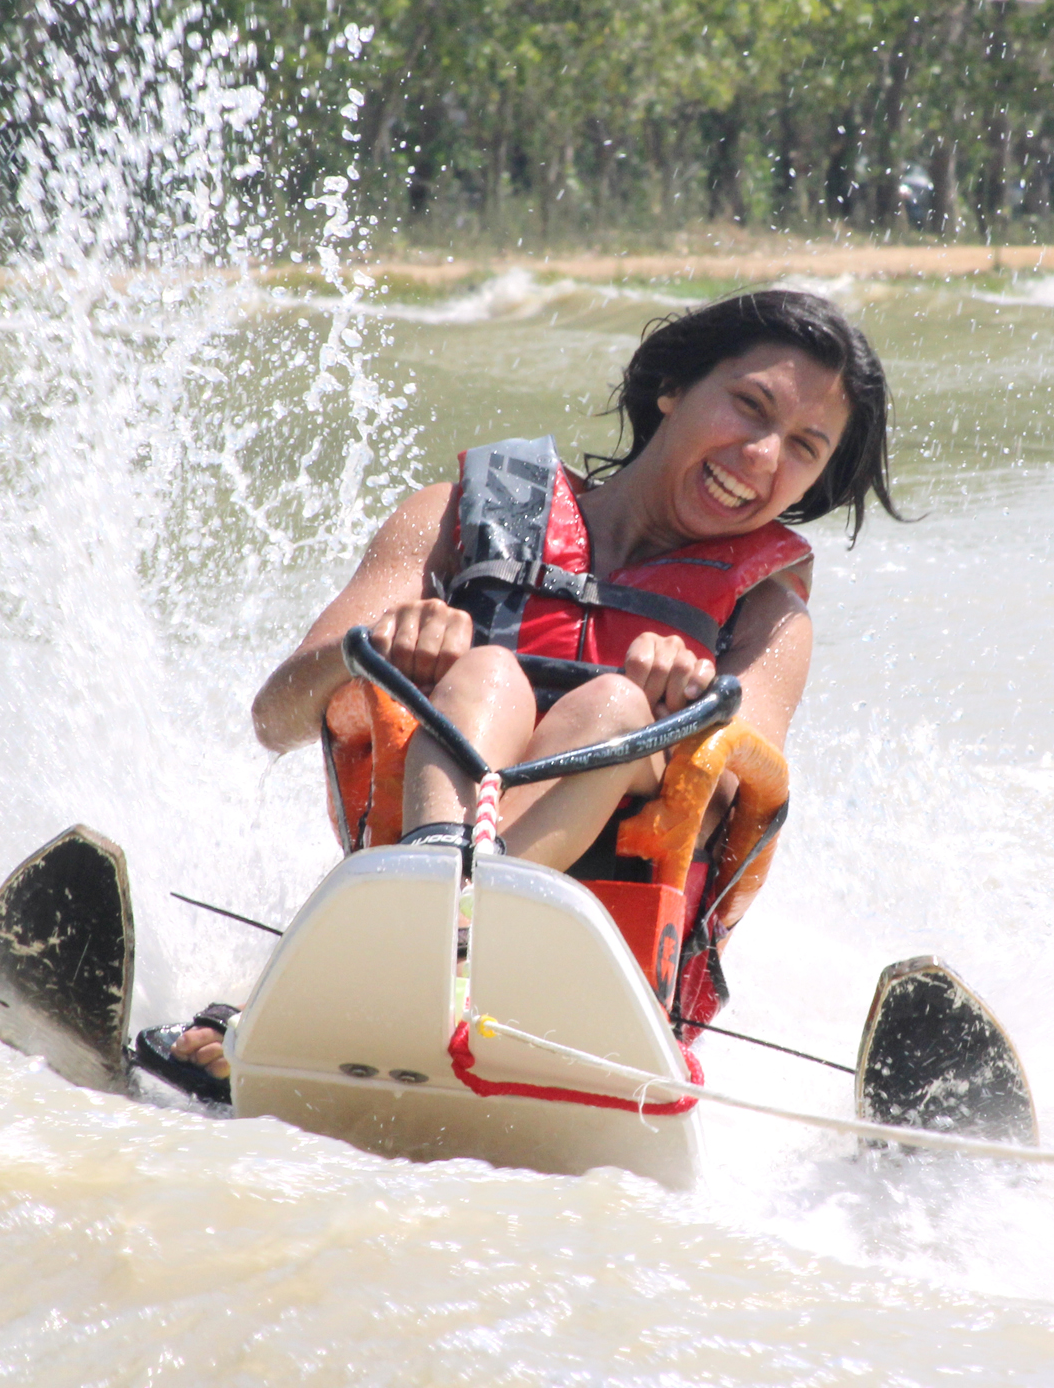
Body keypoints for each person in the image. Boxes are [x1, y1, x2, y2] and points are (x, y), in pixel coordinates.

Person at [169, 290, 898, 1081]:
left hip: (592, 971)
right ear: (673, 387)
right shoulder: (450, 516)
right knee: (484, 670)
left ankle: (420, 938)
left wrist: (690, 716)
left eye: (803, 447)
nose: (761, 455)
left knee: (617, 707)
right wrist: (372, 648)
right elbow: (275, 718)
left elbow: (743, 786)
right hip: (423, 891)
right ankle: (434, 907)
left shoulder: (769, 612)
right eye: (749, 407)